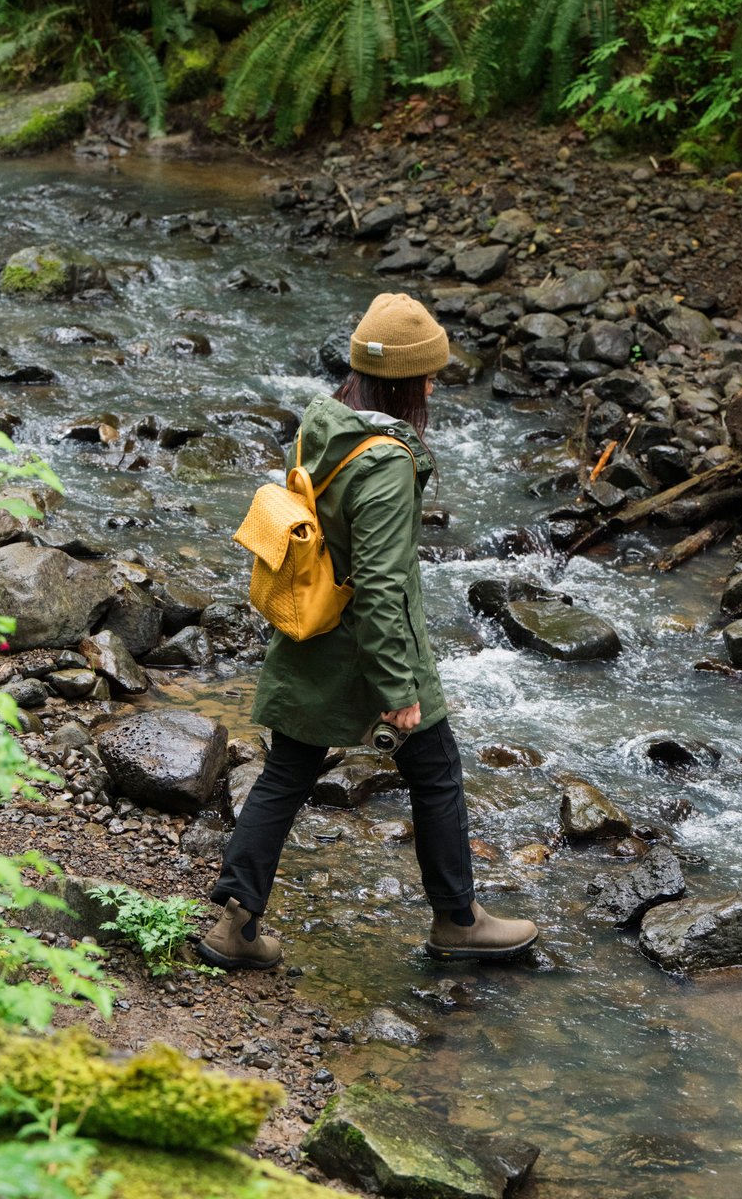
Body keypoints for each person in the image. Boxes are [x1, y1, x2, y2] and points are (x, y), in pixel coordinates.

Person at [197, 293, 539, 969]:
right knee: (436, 770)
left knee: (286, 774)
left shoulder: (326, 423)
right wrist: (398, 687)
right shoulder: (384, 464)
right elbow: (382, 586)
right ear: (406, 381)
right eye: (428, 375)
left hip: (312, 632)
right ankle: (458, 920)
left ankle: (232, 926)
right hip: (369, 647)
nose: (436, 385)